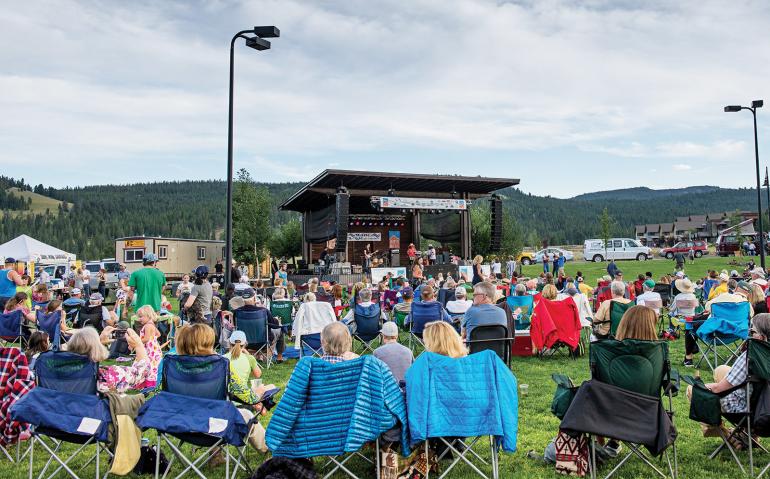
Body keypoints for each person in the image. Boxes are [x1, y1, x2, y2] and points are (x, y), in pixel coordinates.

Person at [688, 314, 770, 439]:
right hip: (764, 404)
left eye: (752, 331)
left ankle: (723, 434)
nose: (749, 333)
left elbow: (718, 389)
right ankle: (748, 435)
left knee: (692, 389)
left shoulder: (750, 357)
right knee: (721, 370)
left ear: (762, 337)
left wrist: (702, 386)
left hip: (745, 409)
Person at [65, 327, 151, 393]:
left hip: (63, 413)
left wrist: (98, 342)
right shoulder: (105, 375)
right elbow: (139, 373)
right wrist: (138, 345)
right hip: (93, 414)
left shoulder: (60, 371)